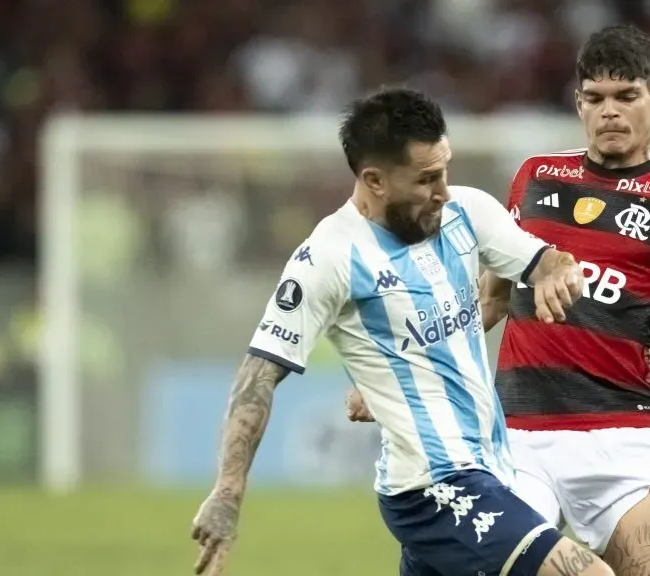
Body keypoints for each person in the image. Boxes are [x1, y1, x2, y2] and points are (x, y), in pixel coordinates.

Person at [347, 26, 650, 576]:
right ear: (578, 103)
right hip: (515, 434)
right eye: (595, 98)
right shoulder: (535, 179)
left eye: (626, 96)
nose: (609, 112)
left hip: (622, 438)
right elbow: (486, 303)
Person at [190, 87, 618, 576]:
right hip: (431, 488)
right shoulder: (329, 257)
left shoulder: (466, 213)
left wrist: (559, 272)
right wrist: (227, 493)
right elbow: (257, 376)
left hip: (492, 469)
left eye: (445, 170)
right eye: (427, 179)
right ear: (374, 180)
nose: (443, 190)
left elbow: (542, 261)